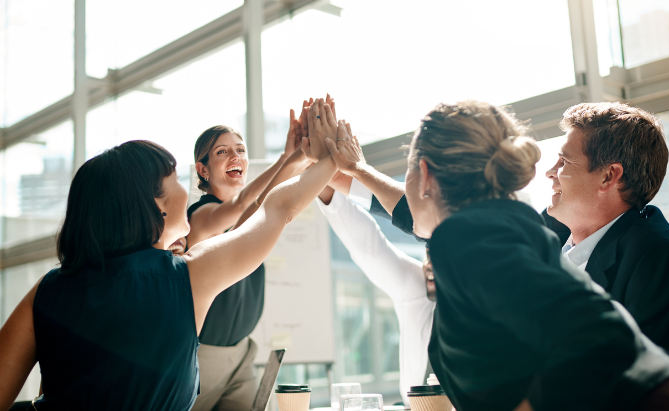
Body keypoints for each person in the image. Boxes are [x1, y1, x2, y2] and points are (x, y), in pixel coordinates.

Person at [322, 100, 669, 411]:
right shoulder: (525, 229)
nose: (551, 172)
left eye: (564, 161)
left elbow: (605, 349)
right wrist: (353, 173)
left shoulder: (479, 239)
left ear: (425, 174)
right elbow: (421, 211)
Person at [0, 120, 338, 411]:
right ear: (156, 206)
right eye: (176, 179)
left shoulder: (47, 291)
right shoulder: (188, 276)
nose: (185, 189)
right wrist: (336, 156)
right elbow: (275, 210)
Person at [184, 98, 322, 411]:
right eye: (223, 152)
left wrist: (295, 157)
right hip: (204, 354)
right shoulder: (201, 215)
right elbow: (254, 208)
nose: (236, 156)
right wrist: (290, 158)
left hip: (242, 351)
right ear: (202, 169)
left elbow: (257, 206)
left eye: (240, 150)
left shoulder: (244, 215)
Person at [545, 102, 669, 356]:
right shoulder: (544, 237)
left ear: (608, 176)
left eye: (565, 162)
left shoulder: (660, 261)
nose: (551, 172)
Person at [317, 182, 434, 405]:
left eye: (441, 258)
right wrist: (324, 184)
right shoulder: (418, 287)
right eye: (428, 254)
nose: (430, 265)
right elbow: (369, 247)